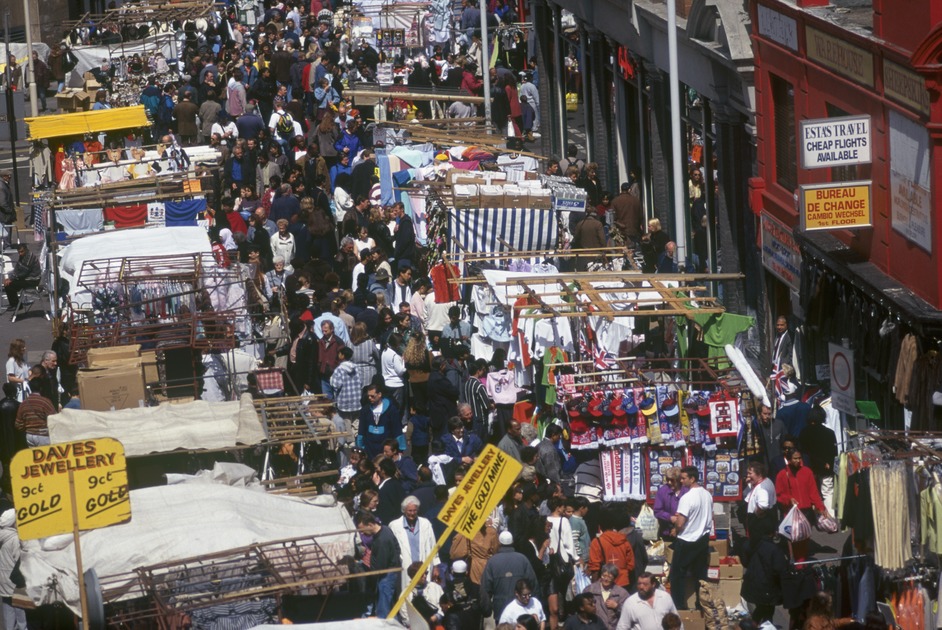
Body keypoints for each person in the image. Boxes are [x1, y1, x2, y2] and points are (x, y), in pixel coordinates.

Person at [668, 466, 713, 610]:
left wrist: (675, 529)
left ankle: (679, 607)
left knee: (677, 575)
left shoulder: (687, 498)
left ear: (692, 479)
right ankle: (701, 605)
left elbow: (681, 522)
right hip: (702, 539)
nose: (681, 481)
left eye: (683, 478)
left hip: (687, 540)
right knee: (700, 575)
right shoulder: (707, 494)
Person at [775, 449, 828, 562]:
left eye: (800, 458)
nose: (798, 460)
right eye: (795, 458)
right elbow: (779, 495)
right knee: (793, 540)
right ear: (788, 460)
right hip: (791, 512)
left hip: (806, 511)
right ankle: (796, 563)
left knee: (804, 539)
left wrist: (821, 507)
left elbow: (814, 492)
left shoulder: (807, 472)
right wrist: (789, 500)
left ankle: (802, 563)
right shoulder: (782, 475)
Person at [482, 531, 541, 622]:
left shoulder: (492, 562)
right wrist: (534, 606)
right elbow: (533, 584)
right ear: (512, 542)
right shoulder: (522, 559)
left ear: (499, 542)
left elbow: (485, 589)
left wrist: (486, 610)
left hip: (500, 610)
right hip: (522, 611)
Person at [740, 516, 788, 625]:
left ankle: (754, 625)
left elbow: (745, 562)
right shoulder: (774, 549)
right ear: (772, 532)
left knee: (761, 610)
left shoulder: (750, 544)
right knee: (767, 612)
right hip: (767, 588)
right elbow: (779, 569)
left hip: (752, 584)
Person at [354, 510, 402, 619]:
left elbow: (379, 566)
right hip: (390, 573)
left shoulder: (381, 540)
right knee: (389, 606)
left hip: (386, 576)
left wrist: (368, 563)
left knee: (384, 609)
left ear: (370, 525)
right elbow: (397, 548)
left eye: (363, 530)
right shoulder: (385, 529)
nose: (362, 533)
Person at [389, 496, 439, 590]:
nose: (412, 513)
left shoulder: (426, 524)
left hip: (424, 565)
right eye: (409, 511)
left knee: (425, 591)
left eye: (414, 510)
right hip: (405, 566)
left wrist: (436, 566)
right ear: (404, 510)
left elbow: (433, 546)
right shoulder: (394, 526)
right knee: (407, 592)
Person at [798, 407, 838, 514]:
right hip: (826, 466)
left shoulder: (804, 432)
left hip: (810, 467)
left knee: (812, 492)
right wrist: (829, 464)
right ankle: (830, 517)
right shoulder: (829, 433)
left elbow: (803, 451)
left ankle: (815, 517)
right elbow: (834, 452)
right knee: (827, 491)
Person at [587, 505, 635, 588]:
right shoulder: (624, 540)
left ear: (600, 526)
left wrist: (593, 587)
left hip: (605, 582)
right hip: (624, 583)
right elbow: (631, 565)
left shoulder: (597, 542)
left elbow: (595, 568)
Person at [356, 384, 402, 458]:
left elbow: (397, 429)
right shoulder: (365, 410)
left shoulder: (391, 410)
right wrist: (360, 447)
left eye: (372, 396)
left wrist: (400, 449)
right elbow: (361, 430)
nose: (370, 398)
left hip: (385, 448)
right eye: (368, 396)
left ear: (379, 394)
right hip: (369, 448)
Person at [584, 564, 630, 630]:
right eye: (604, 576)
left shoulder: (621, 593)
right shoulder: (590, 590)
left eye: (609, 577)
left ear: (614, 578)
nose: (606, 579)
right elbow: (581, 608)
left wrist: (617, 606)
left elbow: (629, 613)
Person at [744, 460, 777, 551]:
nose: (748, 476)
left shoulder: (762, 488)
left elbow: (763, 505)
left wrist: (757, 513)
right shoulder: (764, 482)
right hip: (762, 520)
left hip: (759, 522)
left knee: (759, 547)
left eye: (750, 473)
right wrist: (749, 483)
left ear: (759, 474)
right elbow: (746, 495)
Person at [15, 372, 55, 446]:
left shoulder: (23, 404)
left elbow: (18, 424)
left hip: (29, 436)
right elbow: (54, 419)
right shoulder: (45, 402)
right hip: (43, 436)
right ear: (41, 388)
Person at [652, 467, 687, 539]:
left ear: (679, 480)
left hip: (685, 532)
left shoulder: (687, 491)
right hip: (667, 531)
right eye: (667, 480)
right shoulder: (662, 491)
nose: (669, 483)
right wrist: (670, 517)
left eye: (672, 480)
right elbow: (657, 511)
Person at [4, 244, 41, 309]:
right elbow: (17, 268)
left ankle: (16, 305)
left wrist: (12, 279)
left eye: (22, 251)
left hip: (33, 279)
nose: (20, 254)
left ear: (26, 250)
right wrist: (10, 278)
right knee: (8, 285)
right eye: (19, 252)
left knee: (10, 285)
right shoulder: (22, 256)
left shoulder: (29, 257)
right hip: (26, 278)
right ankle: (15, 304)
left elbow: (24, 272)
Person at [755, 403, 786, 475]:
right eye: (765, 414)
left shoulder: (779, 424)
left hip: (778, 463)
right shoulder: (757, 426)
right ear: (760, 414)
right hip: (763, 463)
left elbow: (784, 442)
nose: (767, 416)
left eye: (769, 414)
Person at [0, 171, 14, 250]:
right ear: (4, 176)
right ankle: (6, 246)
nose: (10, 178)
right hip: (4, 214)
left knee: (6, 229)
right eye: (9, 176)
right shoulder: (1, 186)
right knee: (6, 229)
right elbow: (2, 202)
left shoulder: (4, 184)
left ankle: (7, 244)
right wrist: (9, 210)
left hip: (4, 213)